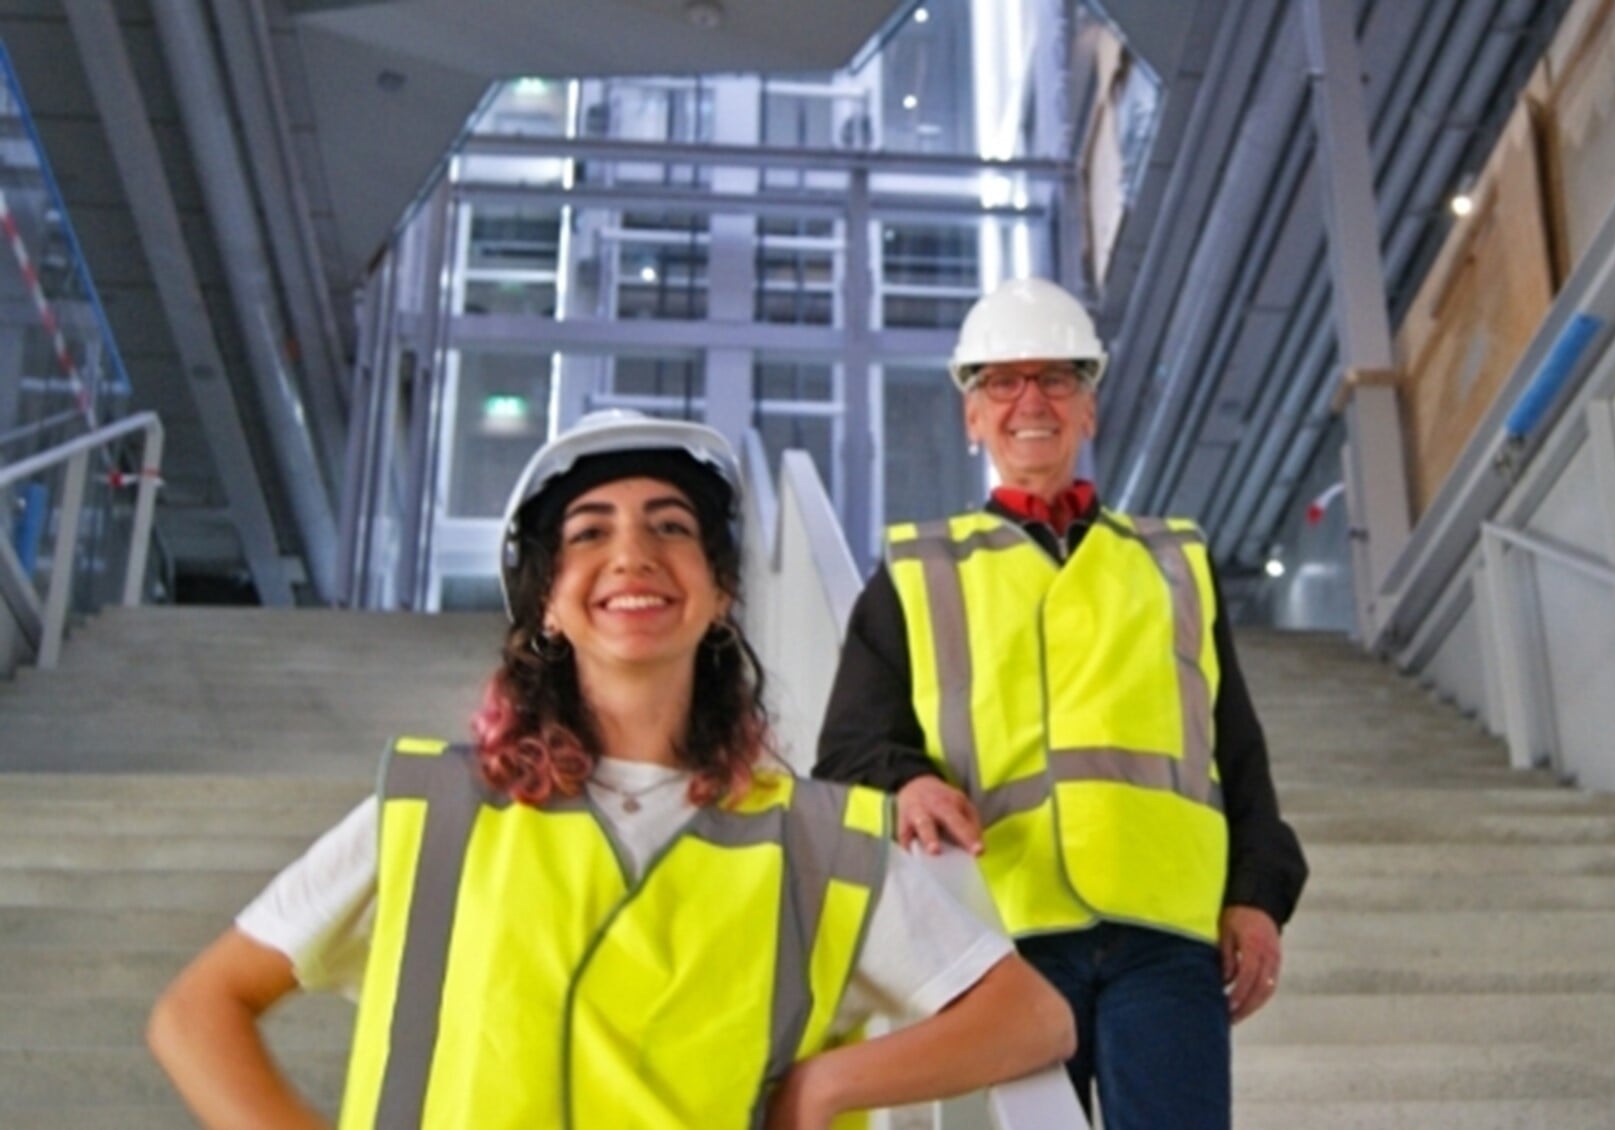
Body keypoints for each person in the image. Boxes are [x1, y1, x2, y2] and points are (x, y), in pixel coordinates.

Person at [148, 410, 1073, 1130]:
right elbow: (198, 1013)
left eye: (671, 527)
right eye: (588, 533)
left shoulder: (818, 843)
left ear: (719, 596)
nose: (632, 552)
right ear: (547, 602)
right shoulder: (436, 812)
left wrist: (828, 1083)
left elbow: (1032, 1018)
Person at [814, 277, 1309, 1129]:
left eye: (1056, 378)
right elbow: (850, 750)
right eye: (1001, 382)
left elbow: (1238, 755)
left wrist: (1258, 895)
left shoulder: (1173, 566)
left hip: (1165, 931)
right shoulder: (917, 571)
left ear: (1090, 408)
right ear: (972, 416)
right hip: (998, 935)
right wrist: (910, 785)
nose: (1029, 401)